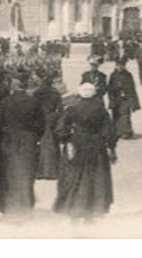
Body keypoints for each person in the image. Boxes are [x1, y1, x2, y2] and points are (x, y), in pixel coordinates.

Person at [53, 82, 116, 222]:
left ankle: (74, 211)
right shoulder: (100, 110)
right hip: (96, 145)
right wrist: (112, 149)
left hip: (78, 143)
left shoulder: (72, 109)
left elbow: (61, 129)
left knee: (74, 177)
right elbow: (109, 131)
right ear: (94, 93)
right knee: (95, 178)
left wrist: (67, 140)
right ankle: (92, 212)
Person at [0, 73, 43, 216]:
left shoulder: (6, 101)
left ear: (15, 85)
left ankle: (4, 205)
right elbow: (41, 124)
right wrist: (34, 137)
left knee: (7, 172)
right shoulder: (34, 101)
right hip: (28, 139)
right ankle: (25, 204)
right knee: (26, 171)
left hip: (9, 139)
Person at [34, 71, 63, 181]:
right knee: (52, 143)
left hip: (40, 117)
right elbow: (60, 109)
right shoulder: (55, 93)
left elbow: (33, 107)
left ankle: (40, 171)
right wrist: (56, 118)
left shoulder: (37, 92)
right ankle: (52, 171)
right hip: (51, 118)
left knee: (40, 144)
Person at [107, 60, 141, 139]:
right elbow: (110, 88)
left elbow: (132, 88)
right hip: (116, 97)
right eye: (118, 65)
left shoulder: (128, 75)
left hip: (126, 98)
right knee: (116, 114)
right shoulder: (113, 75)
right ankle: (116, 131)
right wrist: (111, 99)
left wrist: (134, 101)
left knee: (125, 114)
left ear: (124, 66)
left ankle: (126, 131)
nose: (119, 67)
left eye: (121, 65)